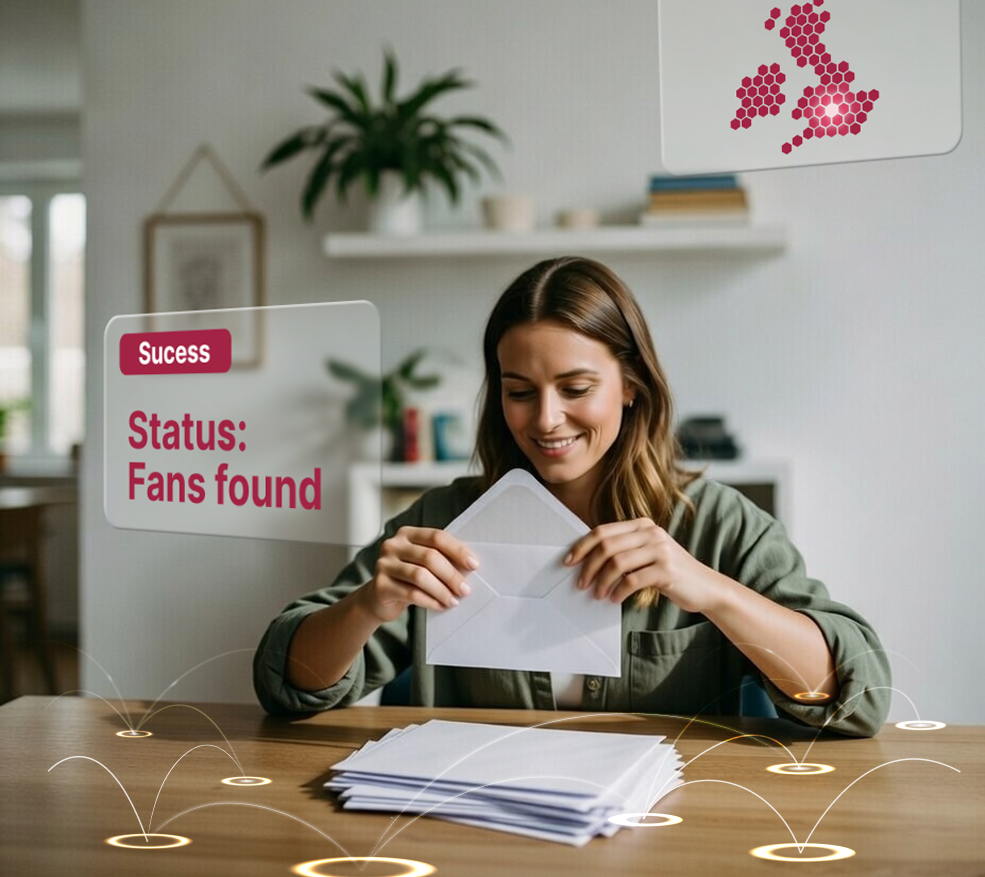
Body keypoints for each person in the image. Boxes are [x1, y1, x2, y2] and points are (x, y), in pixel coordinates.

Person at [254, 256, 891, 736]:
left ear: (631, 385)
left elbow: (860, 697)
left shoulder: (719, 525)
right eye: (520, 391)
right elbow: (288, 686)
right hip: (476, 824)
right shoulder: (447, 521)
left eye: (576, 387)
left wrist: (707, 588)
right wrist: (369, 603)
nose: (546, 420)